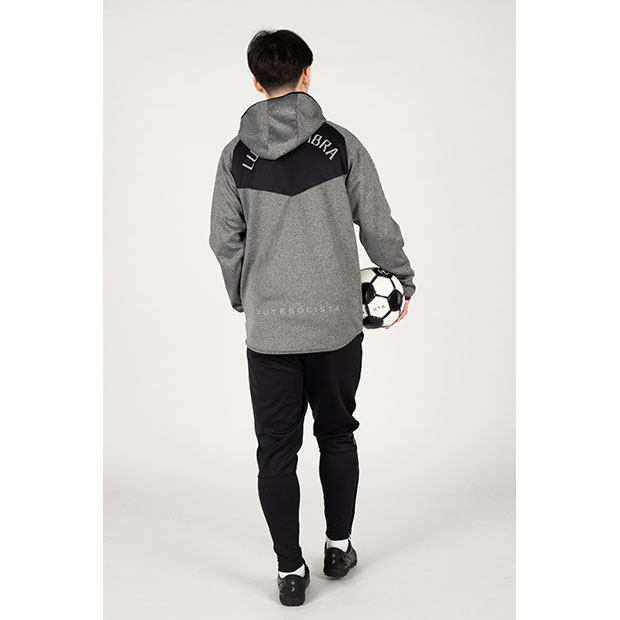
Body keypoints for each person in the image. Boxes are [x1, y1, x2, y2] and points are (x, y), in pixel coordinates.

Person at [209, 28, 417, 606]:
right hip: (335, 325)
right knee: (337, 434)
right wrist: (401, 280)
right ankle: (338, 546)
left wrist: (246, 298)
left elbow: (224, 241)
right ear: (306, 74)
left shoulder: (235, 157)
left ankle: (289, 571)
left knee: (275, 451)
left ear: (256, 82)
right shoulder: (342, 145)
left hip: (270, 332)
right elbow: (378, 222)